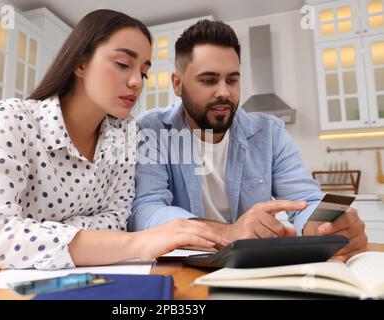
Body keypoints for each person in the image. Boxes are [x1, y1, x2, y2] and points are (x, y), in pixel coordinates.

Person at [0, 10, 226, 285]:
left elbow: (115, 220)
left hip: (86, 282)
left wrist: (23, 235)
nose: (137, 82)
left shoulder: (125, 134)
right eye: (123, 64)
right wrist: (137, 242)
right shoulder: (13, 118)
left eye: (144, 72)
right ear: (80, 62)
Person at [129, 19, 367, 261]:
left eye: (232, 80)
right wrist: (228, 233)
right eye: (208, 80)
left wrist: (324, 227)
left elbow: (306, 199)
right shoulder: (153, 129)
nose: (224, 92)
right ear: (177, 84)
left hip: (253, 266)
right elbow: (145, 210)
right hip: (183, 267)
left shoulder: (270, 132)